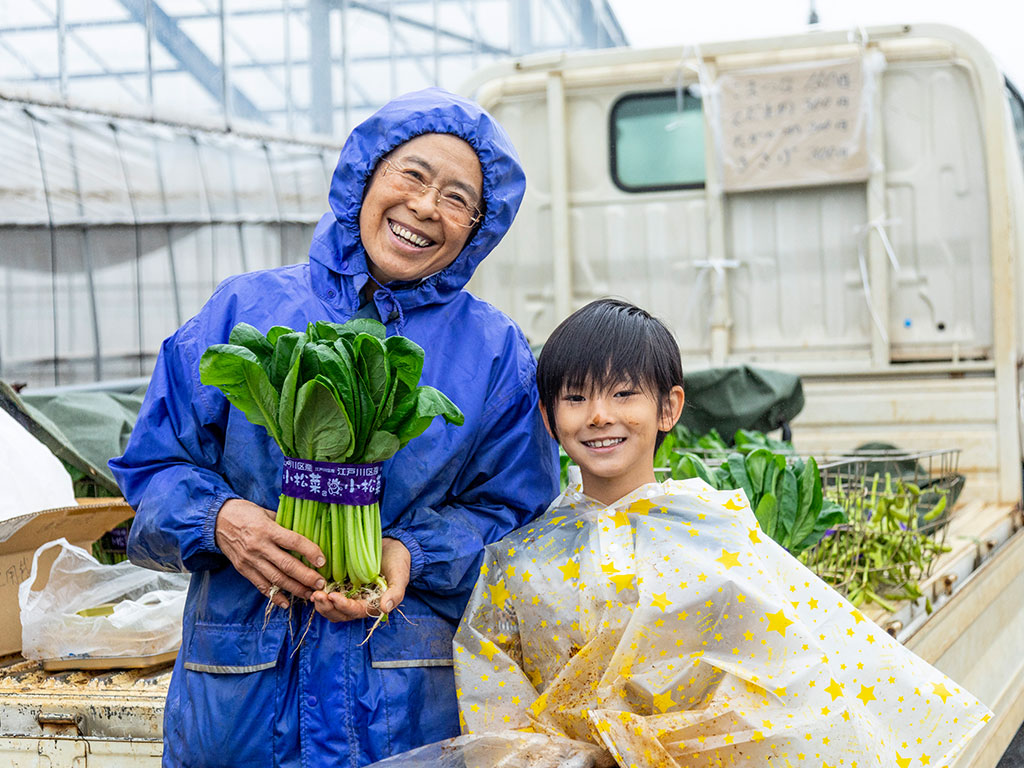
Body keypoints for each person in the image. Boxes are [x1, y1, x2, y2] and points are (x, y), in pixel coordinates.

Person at [109, 88, 559, 768]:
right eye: (412, 174)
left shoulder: (495, 354)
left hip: (401, 708)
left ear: (479, 228)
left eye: (458, 198)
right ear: (365, 177)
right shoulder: (243, 310)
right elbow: (152, 473)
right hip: (238, 704)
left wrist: (415, 553)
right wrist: (222, 518)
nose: (426, 207)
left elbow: (518, 522)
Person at [380, 298, 988, 768]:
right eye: (575, 397)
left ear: (668, 408)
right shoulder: (515, 558)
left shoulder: (717, 532)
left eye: (624, 394)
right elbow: (494, 696)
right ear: (548, 417)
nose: (599, 415)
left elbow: (784, 675)